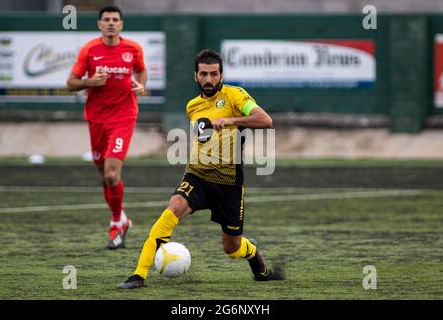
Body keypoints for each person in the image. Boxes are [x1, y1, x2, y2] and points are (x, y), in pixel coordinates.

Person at [117, 49, 283, 289]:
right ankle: (138, 275)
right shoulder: (192, 106)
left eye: (214, 74)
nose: (209, 79)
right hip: (198, 175)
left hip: (228, 183)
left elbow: (265, 120)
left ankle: (252, 252)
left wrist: (232, 120)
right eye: (203, 74)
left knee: (231, 247)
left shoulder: (235, 96)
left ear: (221, 75)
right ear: (195, 76)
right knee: (171, 210)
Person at [66, 5, 147, 250]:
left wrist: (140, 87)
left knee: (112, 174)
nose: (111, 23)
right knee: (103, 175)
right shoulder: (89, 50)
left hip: (123, 117)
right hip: (96, 118)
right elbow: (70, 83)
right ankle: (122, 218)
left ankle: (115, 222)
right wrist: (90, 81)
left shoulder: (133, 48)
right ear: (100, 24)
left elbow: (141, 71)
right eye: (106, 19)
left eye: (115, 19)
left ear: (121, 24)